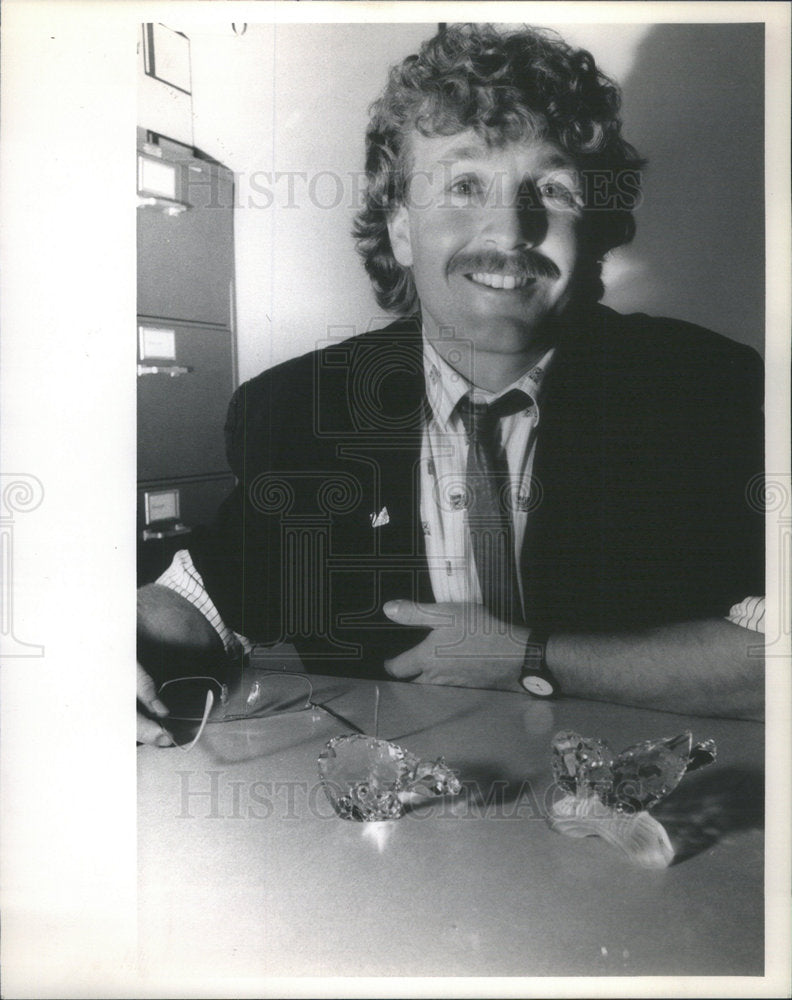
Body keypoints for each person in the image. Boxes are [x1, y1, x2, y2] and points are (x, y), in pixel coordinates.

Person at [137, 24, 764, 744]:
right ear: (401, 230)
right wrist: (112, 644)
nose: (510, 229)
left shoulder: (700, 392)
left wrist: (533, 658)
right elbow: (203, 598)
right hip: (402, 835)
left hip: (637, 823)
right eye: (464, 185)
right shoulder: (300, 412)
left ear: (591, 227)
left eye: (551, 189)